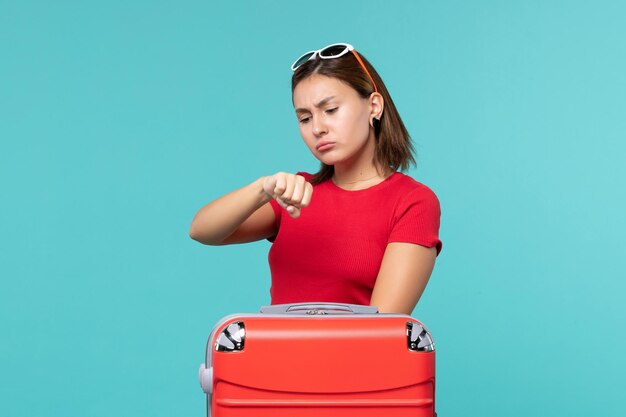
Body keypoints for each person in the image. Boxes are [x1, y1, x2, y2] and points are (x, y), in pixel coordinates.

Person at [189, 42, 442, 314]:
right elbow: (202, 231)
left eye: (330, 110)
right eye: (305, 118)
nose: (318, 128)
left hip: (356, 357)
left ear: (374, 106)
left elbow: (381, 330)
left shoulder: (411, 202)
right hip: (272, 355)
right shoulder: (297, 194)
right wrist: (263, 189)